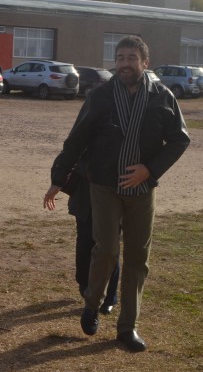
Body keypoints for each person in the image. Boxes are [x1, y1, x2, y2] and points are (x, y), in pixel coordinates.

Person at [43, 35, 189, 352]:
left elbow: (180, 140)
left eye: (131, 58)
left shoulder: (162, 97)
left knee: (138, 258)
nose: (124, 64)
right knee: (106, 249)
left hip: (142, 189)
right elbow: (76, 140)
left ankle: (127, 328)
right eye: (120, 58)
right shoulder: (101, 96)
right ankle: (92, 303)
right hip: (104, 185)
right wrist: (58, 178)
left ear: (145, 63)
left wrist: (149, 170)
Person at [66, 156, 120, 314]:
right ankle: (85, 286)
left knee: (110, 248)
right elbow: (71, 155)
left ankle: (110, 297)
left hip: (114, 196)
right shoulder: (86, 131)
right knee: (84, 243)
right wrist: (88, 170)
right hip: (85, 197)